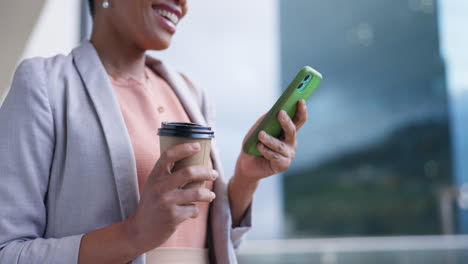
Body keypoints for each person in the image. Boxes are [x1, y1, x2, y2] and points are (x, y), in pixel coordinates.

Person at [0, 0, 308, 263]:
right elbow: (7, 251)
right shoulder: (44, 84)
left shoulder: (192, 94)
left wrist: (246, 177)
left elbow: (204, 239)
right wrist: (133, 234)